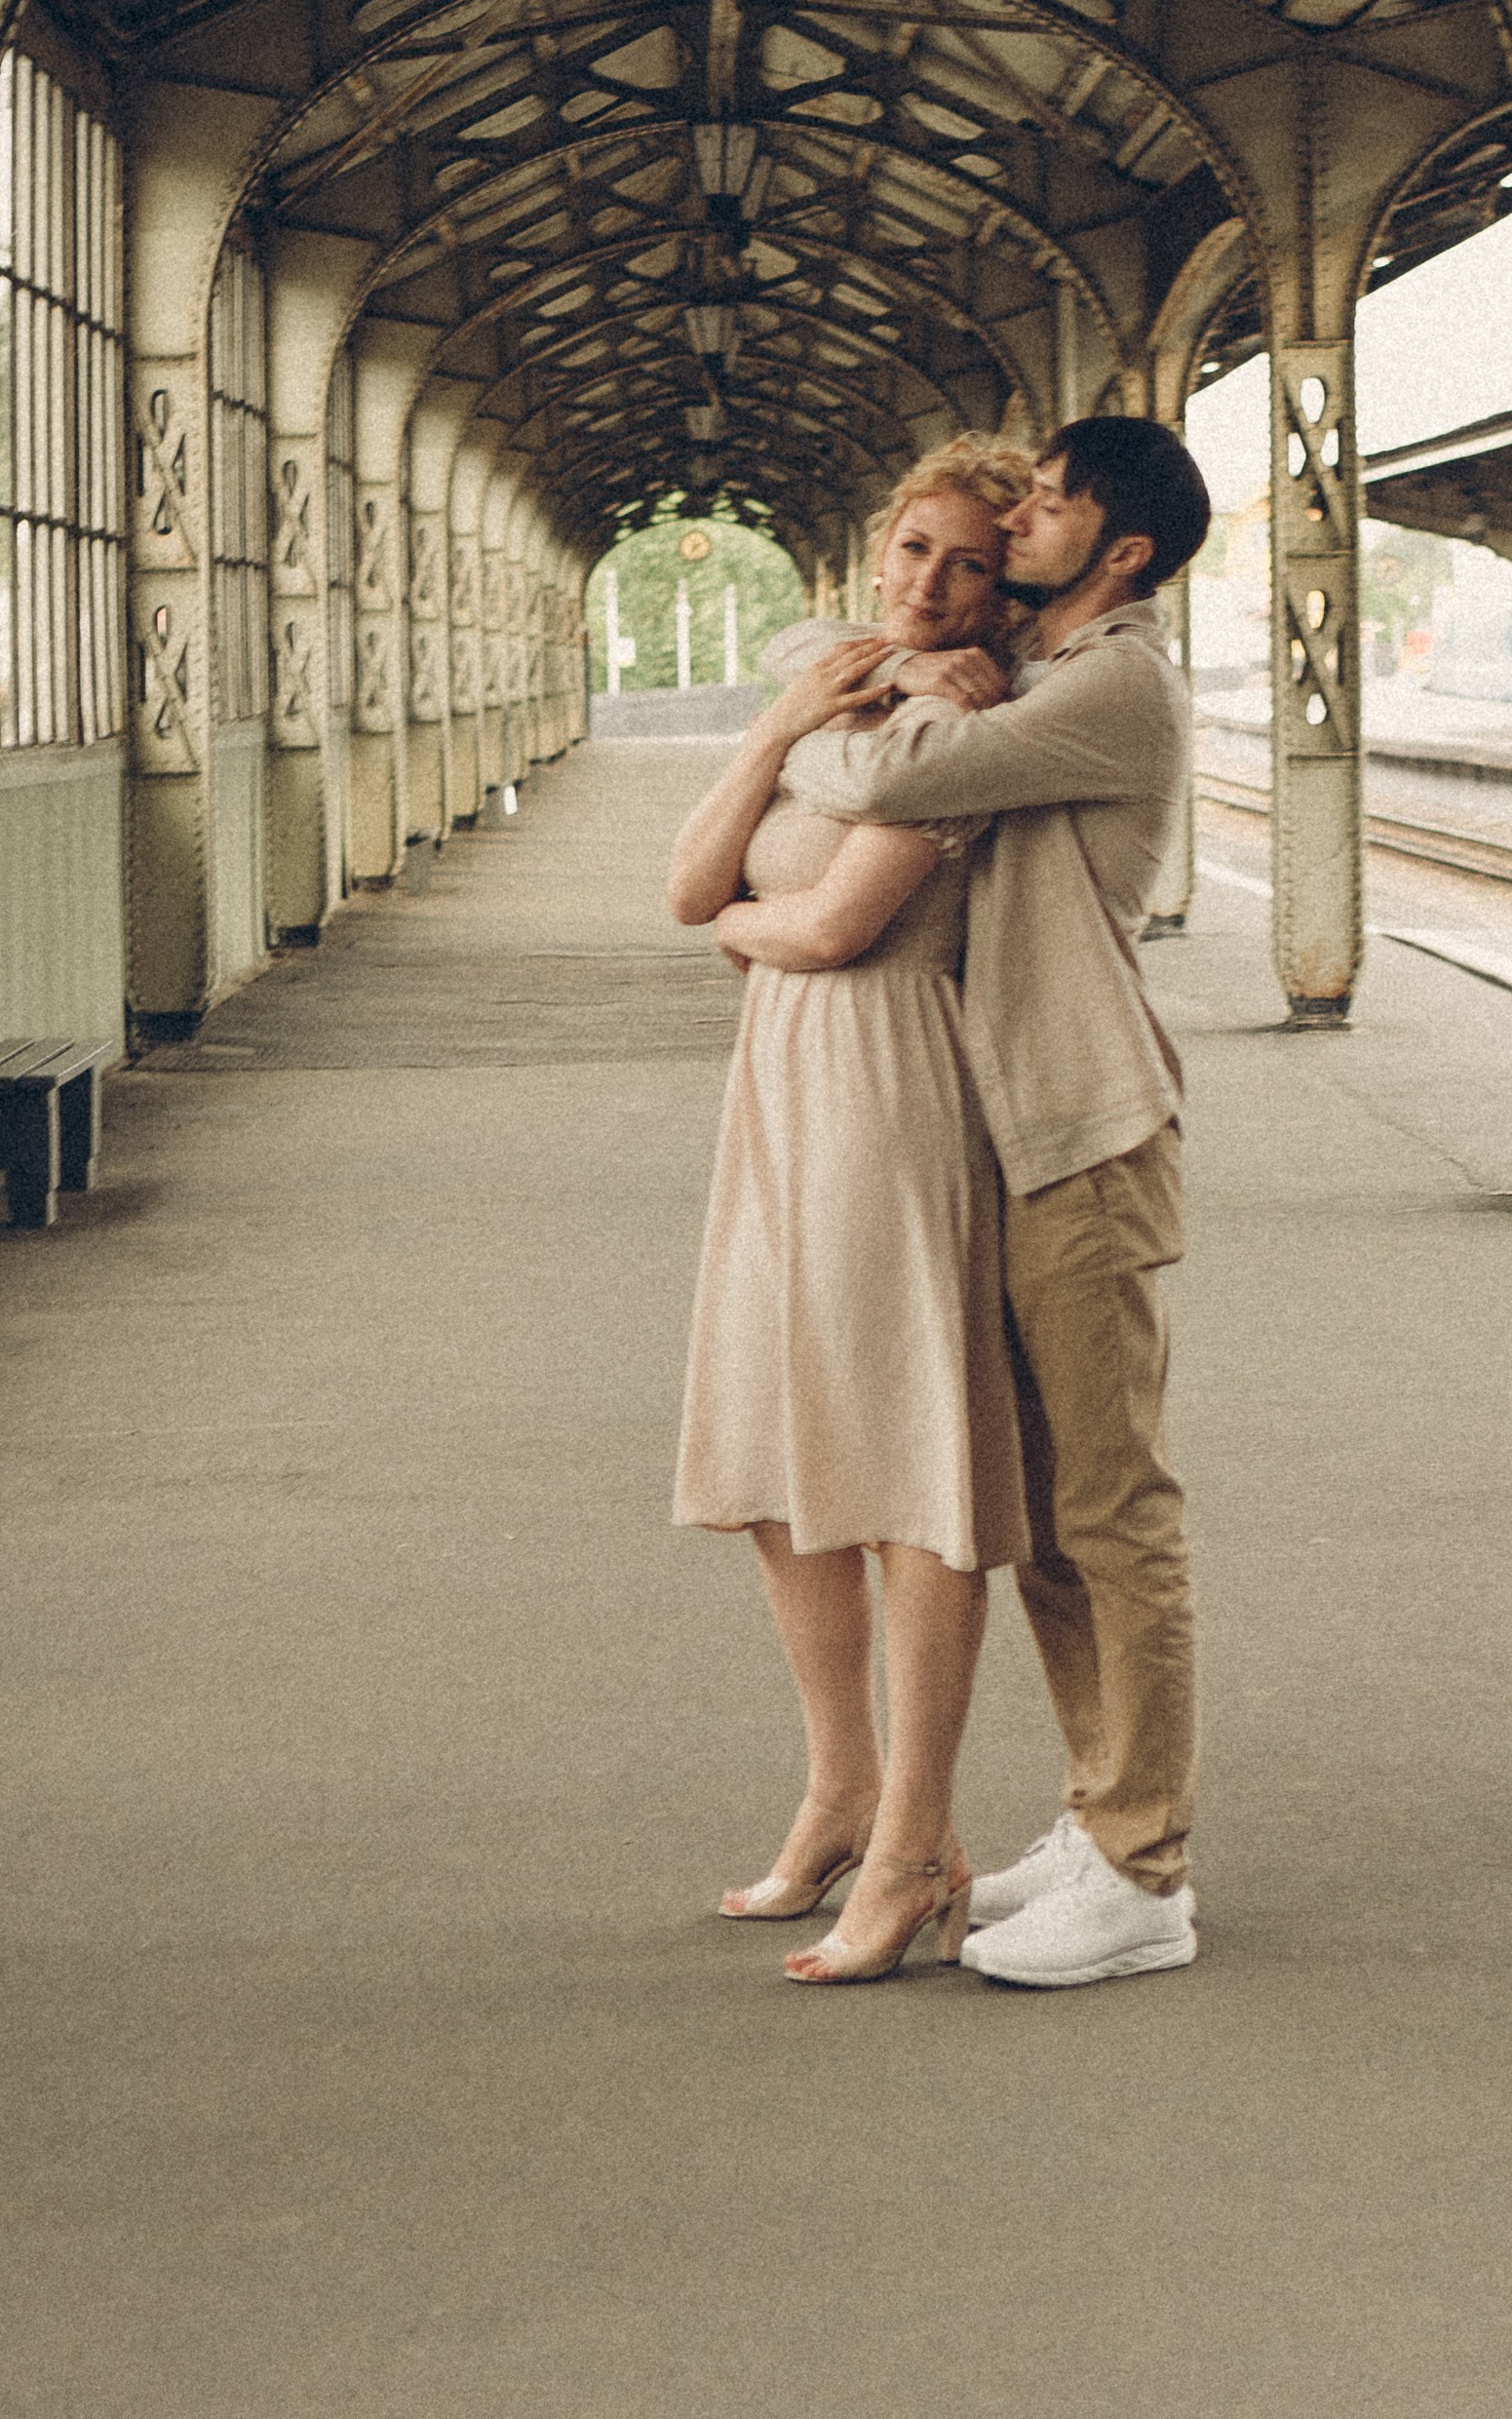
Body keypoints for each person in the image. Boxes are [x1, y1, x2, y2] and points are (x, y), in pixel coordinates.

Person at [783, 415, 1213, 1989]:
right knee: (1050, 1527)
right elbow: (849, 642)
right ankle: (1103, 1827)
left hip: (1085, 1134)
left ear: (1121, 555)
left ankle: (1147, 1869)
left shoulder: (1111, 685)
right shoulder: (1043, 662)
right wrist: (855, 672)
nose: (1015, 523)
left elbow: (890, 764)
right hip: (1021, 1132)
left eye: (1044, 507)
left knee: (1114, 1513)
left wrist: (792, 725)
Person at [664, 437, 1033, 1985]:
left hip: (889, 1093)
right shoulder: (846, 696)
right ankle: (839, 1792)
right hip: (780, 1094)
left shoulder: (970, 715)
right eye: (910, 550)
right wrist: (787, 722)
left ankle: (917, 1844)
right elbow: (690, 885)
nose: (928, 585)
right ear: (874, 554)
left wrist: (746, 915)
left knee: (904, 1474)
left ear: (1004, 594)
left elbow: (827, 928)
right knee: (768, 1456)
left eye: (964, 565)